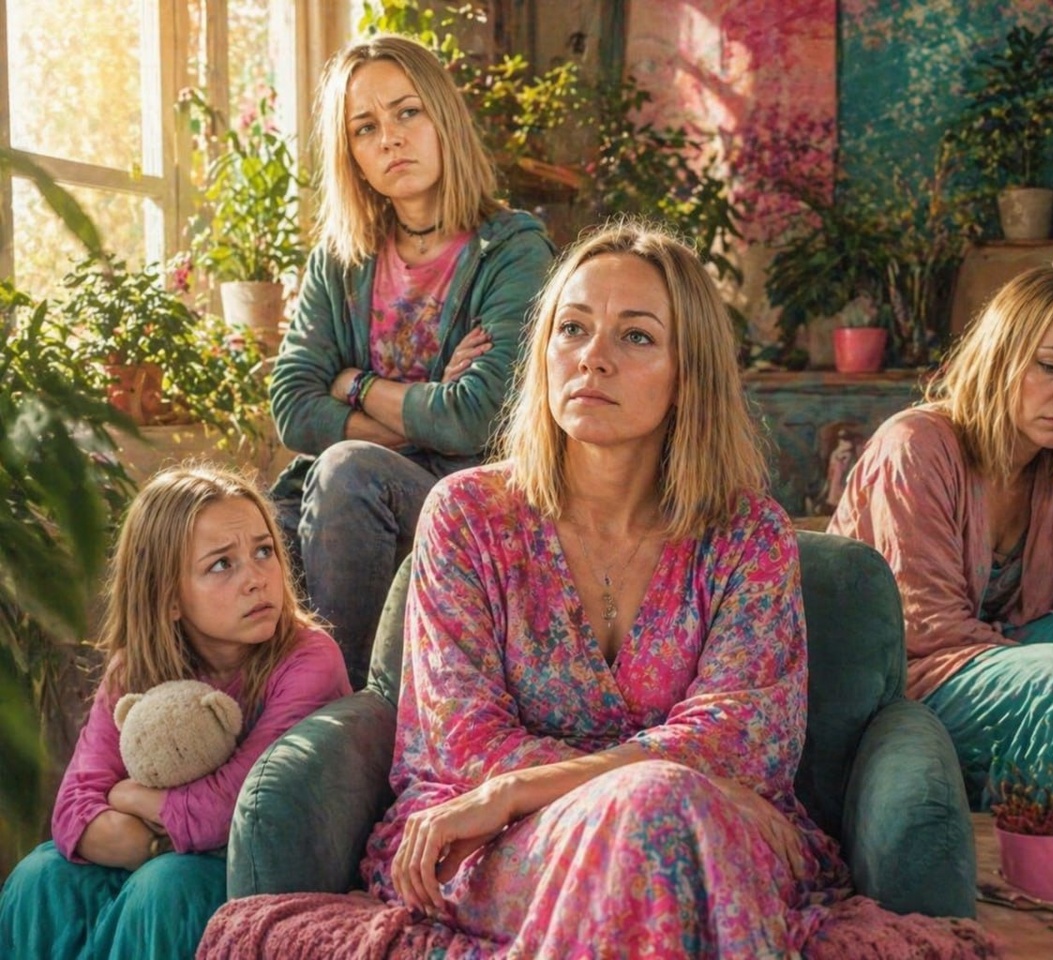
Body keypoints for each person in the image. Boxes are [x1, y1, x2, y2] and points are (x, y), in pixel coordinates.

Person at [198, 222, 995, 959]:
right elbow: (461, 740)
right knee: (657, 811)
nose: (593, 357)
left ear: (689, 374)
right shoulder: (467, 516)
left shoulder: (746, 534)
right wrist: (640, 783)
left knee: (660, 813)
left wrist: (534, 785)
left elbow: (741, 742)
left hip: (696, 829)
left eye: (635, 336)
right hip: (491, 841)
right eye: (572, 328)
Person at [828, 263, 1053, 815]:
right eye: (1051, 366)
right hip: (902, 680)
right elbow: (928, 631)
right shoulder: (916, 445)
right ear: (1001, 355)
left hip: (985, 654)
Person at [269, 34, 555, 687]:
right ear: (352, 156)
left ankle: (346, 707)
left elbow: (476, 417)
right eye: (365, 128)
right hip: (349, 492)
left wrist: (353, 383)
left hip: (465, 495)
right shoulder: (341, 260)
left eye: (407, 112)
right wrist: (425, 404)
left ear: (442, 117)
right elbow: (292, 404)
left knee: (347, 469)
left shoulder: (513, 251)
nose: (390, 138)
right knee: (223, 529)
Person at [0, 465, 351, 959]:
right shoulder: (135, 668)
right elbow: (75, 805)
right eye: (222, 564)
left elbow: (232, 807)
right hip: (163, 851)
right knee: (41, 877)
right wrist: (148, 843)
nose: (256, 579)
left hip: (257, 866)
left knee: (165, 888)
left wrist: (129, 797)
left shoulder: (310, 658)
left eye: (264, 551)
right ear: (167, 598)